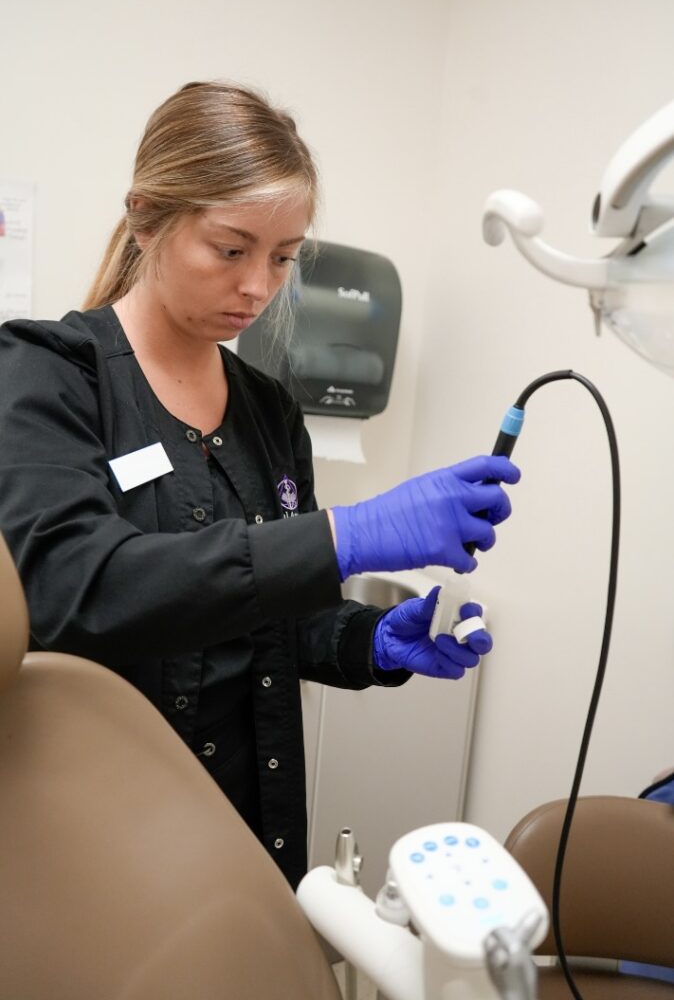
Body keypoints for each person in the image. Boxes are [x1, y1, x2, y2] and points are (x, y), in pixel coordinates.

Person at [0, 81, 519, 889]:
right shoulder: (48, 376)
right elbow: (76, 588)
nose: (258, 288)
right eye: (231, 249)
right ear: (145, 217)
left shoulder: (268, 411)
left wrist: (368, 641)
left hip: (249, 830)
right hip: (97, 840)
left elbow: (277, 620)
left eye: (283, 258)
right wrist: (345, 535)